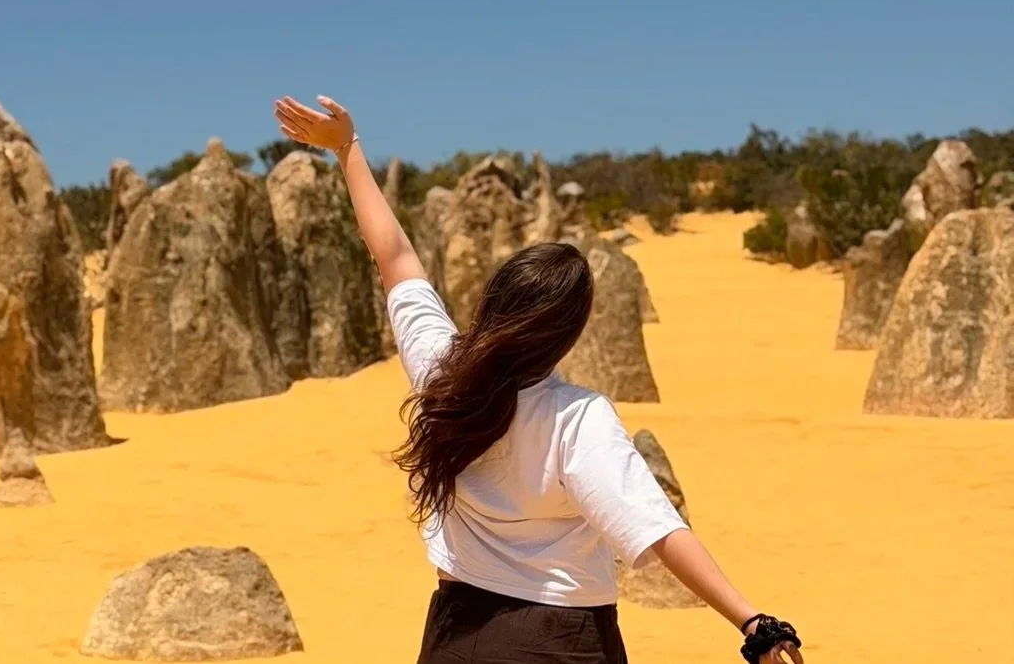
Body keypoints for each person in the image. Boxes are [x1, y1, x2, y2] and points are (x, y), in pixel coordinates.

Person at [273, 95, 804, 664]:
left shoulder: (440, 372)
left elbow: (395, 256)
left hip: (456, 637)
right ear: (568, 333)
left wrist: (348, 149)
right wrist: (751, 621)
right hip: (561, 642)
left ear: (493, 302)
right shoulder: (576, 417)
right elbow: (657, 529)